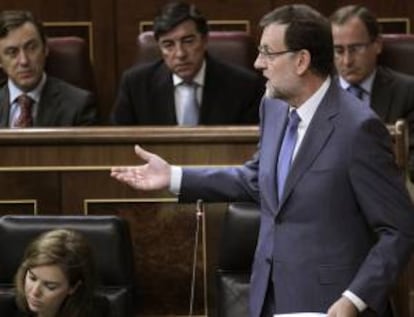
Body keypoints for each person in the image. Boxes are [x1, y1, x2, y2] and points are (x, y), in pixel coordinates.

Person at [111, 4, 414, 317]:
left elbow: (400, 229)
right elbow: (258, 178)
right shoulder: (273, 107)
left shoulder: (358, 129)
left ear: (301, 60)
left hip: (329, 305)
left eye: (268, 53)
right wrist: (175, 177)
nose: (258, 63)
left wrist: (354, 298)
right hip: (267, 297)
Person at [111, 1, 264, 126]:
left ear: (204, 41)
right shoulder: (135, 85)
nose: (180, 54)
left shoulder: (243, 86)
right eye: (168, 44)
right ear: (159, 47)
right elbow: (119, 144)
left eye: (188, 41)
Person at [330, 5, 414, 177]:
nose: (347, 61)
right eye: (338, 50)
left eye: (355, 49)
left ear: (377, 45)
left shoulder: (407, 92)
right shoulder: (316, 92)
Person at [0, 10, 97, 127]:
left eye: (31, 48)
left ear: (45, 49)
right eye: (12, 52)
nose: (24, 61)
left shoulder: (79, 105)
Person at [5, 228, 110, 317]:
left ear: (73, 287)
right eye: (32, 278)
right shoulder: (6, 309)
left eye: (50, 286)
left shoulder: (97, 312)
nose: (35, 292)